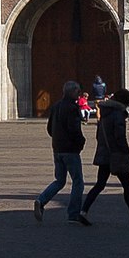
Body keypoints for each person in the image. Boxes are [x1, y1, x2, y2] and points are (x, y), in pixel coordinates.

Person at [82, 86, 129, 226]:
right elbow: (120, 137)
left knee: (100, 184)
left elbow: (99, 135)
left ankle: (83, 211)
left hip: (104, 152)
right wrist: (125, 152)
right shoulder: (118, 114)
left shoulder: (105, 112)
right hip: (116, 154)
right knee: (127, 186)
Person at [34, 84, 88, 224]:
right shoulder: (72, 108)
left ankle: (41, 200)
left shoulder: (56, 106)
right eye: (77, 91)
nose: (79, 93)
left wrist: (57, 139)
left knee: (60, 180)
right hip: (70, 149)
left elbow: (49, 128)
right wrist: (81, 142)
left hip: (57, 148)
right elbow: (74, 128)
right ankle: (73, 213)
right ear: (71, 92)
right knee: (78, 181)